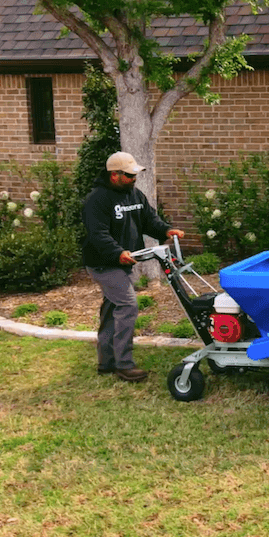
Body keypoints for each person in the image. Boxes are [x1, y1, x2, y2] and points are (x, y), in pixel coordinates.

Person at [82, 151, 184, 382]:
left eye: (134, 174)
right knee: (127, 305)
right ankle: (124, 364)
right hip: (103, 264)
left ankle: (106, 361)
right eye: (129, 175)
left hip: (122, 261)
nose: (133, 178)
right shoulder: (96, 200)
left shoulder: (134, 194)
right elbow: (98, 235)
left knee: (112, 308)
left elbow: (149, 219)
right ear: (114, 175)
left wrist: (166, 230)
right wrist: (118, 253)